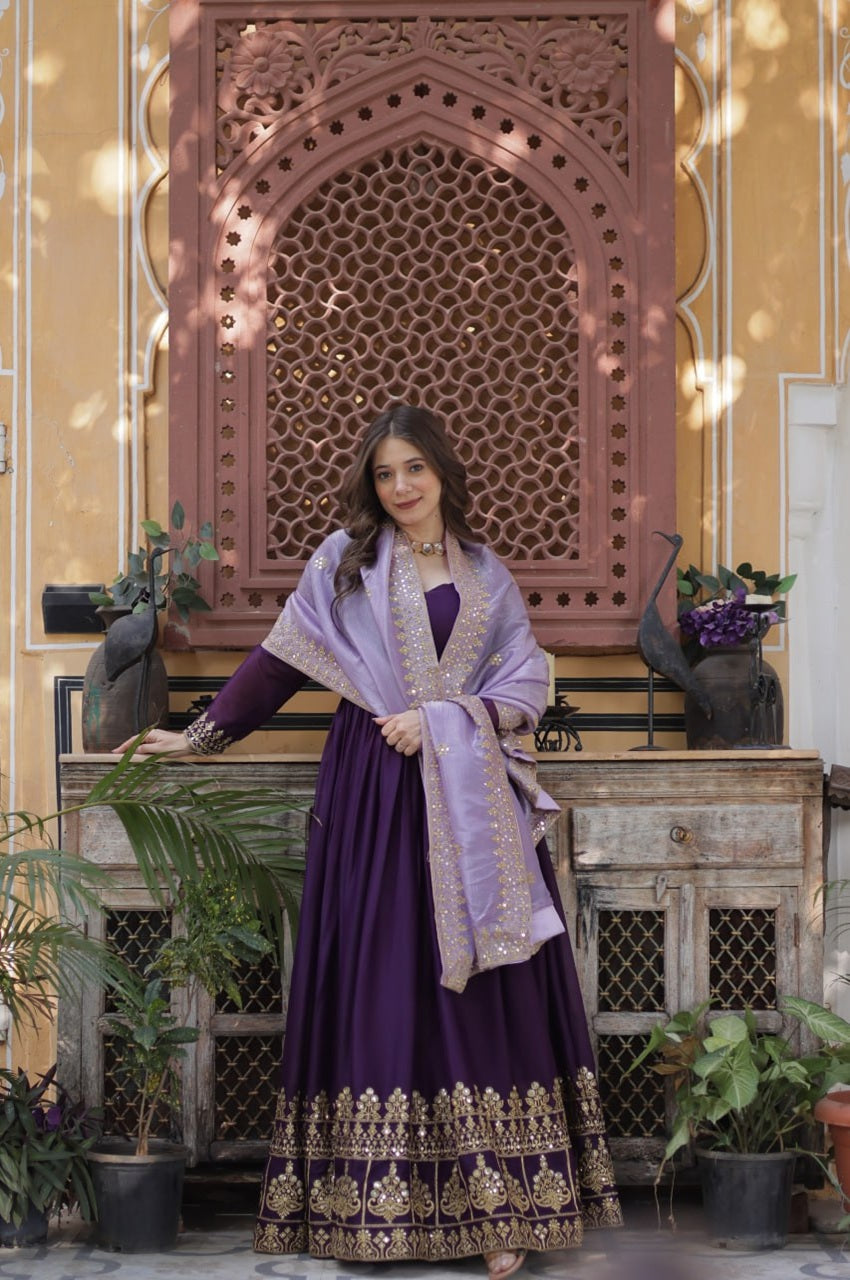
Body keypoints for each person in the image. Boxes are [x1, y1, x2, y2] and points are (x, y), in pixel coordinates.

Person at [123, 404, 622, 1277]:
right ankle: (367, 1207)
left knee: (478, 995)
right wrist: (199, 735)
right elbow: (280, 660)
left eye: (413, 471)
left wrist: (442, 721)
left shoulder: (488, 576)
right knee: (385, 978)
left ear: (441, 472)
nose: (398, 488)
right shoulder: (344, 564)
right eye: (384, 474)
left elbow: (526, 675)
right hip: (374, 795)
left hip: (467, 799)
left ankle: (497, 1210)